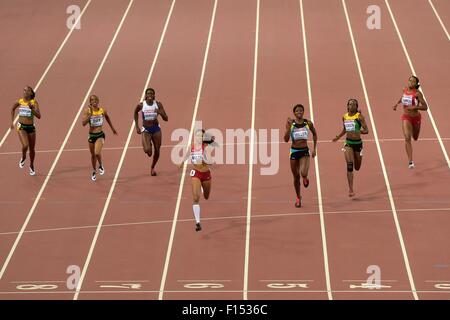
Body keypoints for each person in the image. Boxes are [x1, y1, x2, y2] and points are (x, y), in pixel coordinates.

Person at [179, 129, 215, 231]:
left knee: (206, 196)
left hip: (206, 174)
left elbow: (211, 162)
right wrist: (182, 163)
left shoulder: (206, 148)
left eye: (201, 136)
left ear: (204, 138)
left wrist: (206, 159)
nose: (199, 137)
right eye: (197, 136)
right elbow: (187, 154)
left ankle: (203, 188)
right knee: (195, 197)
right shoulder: (193, 146)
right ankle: (198, 222)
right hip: (196, 173)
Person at [332, 99, 369, 197]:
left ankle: (351, 186)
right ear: (347, 106)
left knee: (357, 167)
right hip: (348, 143)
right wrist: (338, 137)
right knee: (349, 165)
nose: (352, 106)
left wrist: (358, 132)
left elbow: (367, 130)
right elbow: (344, 129)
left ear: (356, 107)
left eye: (354, 104)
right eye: (350, 104)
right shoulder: (344, 117)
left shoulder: (359, 117)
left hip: (358, 144)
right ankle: (351, 189)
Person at [284, 104, 317, 208]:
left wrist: (314, 149)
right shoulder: (291, 123)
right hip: (294, 151)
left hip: (304, 151)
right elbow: (285, 139)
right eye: (297, 110)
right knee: (296, 177)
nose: (299, 112)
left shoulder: (308, 123)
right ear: (294, 113)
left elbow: (315, 134)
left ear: (303, 112)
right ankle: (298, 197)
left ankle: (305, 178)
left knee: (303, 173)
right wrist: (289, 127)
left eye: (301, 110)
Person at [392, 75, 427, 169]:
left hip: (416, 118)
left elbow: (425, 107)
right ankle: (410, 162)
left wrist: (415, 107)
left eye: (413, 81)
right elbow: (403, 97)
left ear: (416, 84)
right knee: (407, 137)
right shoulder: (404, 89)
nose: (410, 82)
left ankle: (414, 129)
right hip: (406, 117)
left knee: (415, 137)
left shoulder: (418, 94)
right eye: (409, 80)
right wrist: (397, 103)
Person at [81, 95, 117, 181]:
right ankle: (94, 170)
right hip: (91, 136)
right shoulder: (87, 111)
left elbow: (107, 118)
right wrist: (90, 115)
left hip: (100, 135)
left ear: (98, 101)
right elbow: (83, 123)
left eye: (96, 99)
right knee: (93, 155)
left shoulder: (102, 110)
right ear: (90, 102)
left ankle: (100, 165)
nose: (94, 101)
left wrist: (112, 129)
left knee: (97, 153)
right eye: (92, 100)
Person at [134, 88, 168, 176]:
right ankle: (149, 146)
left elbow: (166, 119)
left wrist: (160, 112)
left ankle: (152, 167)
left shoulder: (158, 104)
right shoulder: (141, 105)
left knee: (157, 150)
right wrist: (137, 126)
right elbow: (135, 112)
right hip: (146, 130)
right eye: (148, 93)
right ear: (145, 95)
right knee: (148, 151)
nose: (150, 95)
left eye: (151, 93)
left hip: (156, 129)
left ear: (154, 95)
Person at [10, 86, 41, 176]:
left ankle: (31, 165)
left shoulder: (34, 102)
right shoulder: (19, 101)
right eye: (23, 90)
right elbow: (12, 109)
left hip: (31, 128)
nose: (24, 91)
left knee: (32, 149)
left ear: (31, 93)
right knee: (25, 145)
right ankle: (23, 157)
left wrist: (32, 109)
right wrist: (12, 122)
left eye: (27, 90)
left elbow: (39, 116)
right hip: (21, 127)